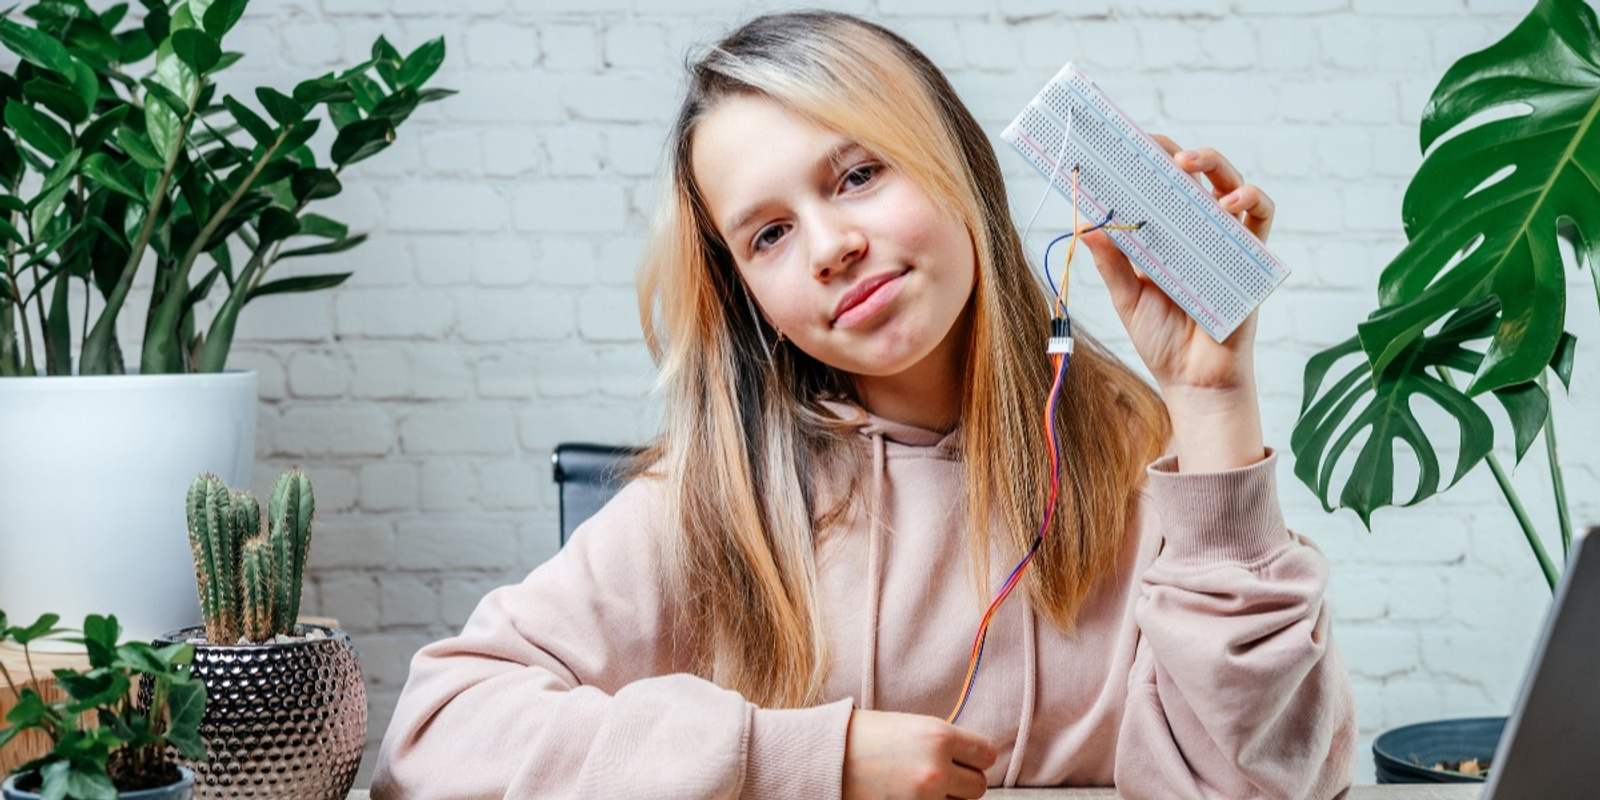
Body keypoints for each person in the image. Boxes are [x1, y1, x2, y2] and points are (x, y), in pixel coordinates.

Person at [372, 10, 1356, 799]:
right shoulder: (718, 504)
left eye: (857, 174)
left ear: (955, 165)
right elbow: (432, 740)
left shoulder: (1151, 475)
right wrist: (806, 762)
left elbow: (1260, 783)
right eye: (766, 234)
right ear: (748, 295)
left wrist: (1210, 399)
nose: (830, 243)